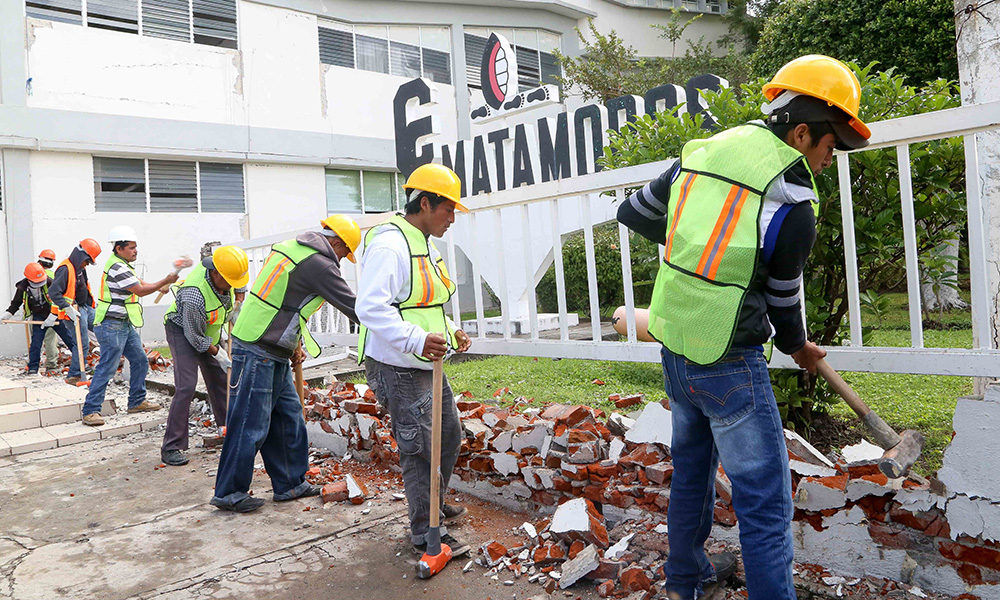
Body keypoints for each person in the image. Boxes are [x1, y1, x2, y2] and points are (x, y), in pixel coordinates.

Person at [616, 55, 871, 600]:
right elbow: (783, 295)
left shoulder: (705, 154)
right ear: (803, 133)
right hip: (729, 362)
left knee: (691, 473)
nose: (830, 161)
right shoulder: (792, 199)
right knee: (765, 503)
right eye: (831, 148)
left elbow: (634, 213)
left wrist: (693, 241)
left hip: (677, 348)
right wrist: (798, 344)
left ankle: (684, 583)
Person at [356, 163, 474, 558]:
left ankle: (434, 507)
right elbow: (371, 308)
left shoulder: (422, 241)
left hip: (425, 362)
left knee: (449, 436)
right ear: (425, 203)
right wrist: (418, 339)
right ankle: (427, 533)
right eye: (448, 210)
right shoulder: (392, 244)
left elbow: (425, 300)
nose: (452, 219)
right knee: (420, 449)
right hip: (400, 365)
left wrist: (451, 328)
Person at [211, 215, 360, 513]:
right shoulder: (319, 264)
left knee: (289, 418)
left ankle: (291, 483)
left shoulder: (293, 248)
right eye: (346, 252)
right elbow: (355, 308)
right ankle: (229, 493)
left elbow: (288, 300)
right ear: (338, 242)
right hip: (258, 347)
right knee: (250, 422)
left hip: (270, 345)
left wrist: (294, 343)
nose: (344, 259)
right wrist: (399, 331)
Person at [80, 226, 179, 426]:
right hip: (110, 324)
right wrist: (165, 280)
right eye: (131, 248)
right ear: (118, 248)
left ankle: (136, 401)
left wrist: (162, 285)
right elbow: (141, 290)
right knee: (107, 367)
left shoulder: (124, 266)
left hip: (123, 324)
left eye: (136, 247)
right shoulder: (117, 268)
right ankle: (90, 410)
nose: (135, 251)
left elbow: (141, 283)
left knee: (141, 361)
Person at [160, 245, 249, 466]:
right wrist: (218, 353)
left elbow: (239, 286)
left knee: (221, 379)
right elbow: (195, 338)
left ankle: (228, 430)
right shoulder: (194, 295)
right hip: (183, 331)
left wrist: (237, 302)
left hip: (206, 330)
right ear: (215, 273)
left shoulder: (227, 271)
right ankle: (172, 446)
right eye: (229, 281)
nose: (232, 285)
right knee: (186, 385)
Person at [2, 263, 82, 378]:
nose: (39, 284)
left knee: (69, 339)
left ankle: (80, 364)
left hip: (54, 314)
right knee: (36, 343)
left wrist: (53, 315)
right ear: (29, 279)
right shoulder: (22, 287)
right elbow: (16, 303)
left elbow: (60, 299)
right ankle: (33, 369)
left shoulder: (49, 282)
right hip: (38, 316)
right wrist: (7, 314)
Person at [48, 238, 102, 385]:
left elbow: (84, 286)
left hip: (85, 308)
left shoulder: (80, 269)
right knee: (82, 343)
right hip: (73, 311)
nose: (88, 264)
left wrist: (91, 305)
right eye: (87, 261)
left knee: (103, 328)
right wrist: (67, 307)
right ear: (82, 256)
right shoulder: (65, 269)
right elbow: (53, 292)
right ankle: (74, 375)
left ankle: (101, 364)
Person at [36, 249, 60, 372]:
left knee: (36, 338)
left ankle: (35, 362)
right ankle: (51, 364)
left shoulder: (33, 273)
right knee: (50, 338)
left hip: (36, 313)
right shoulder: (53, 276)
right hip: (51, 311)